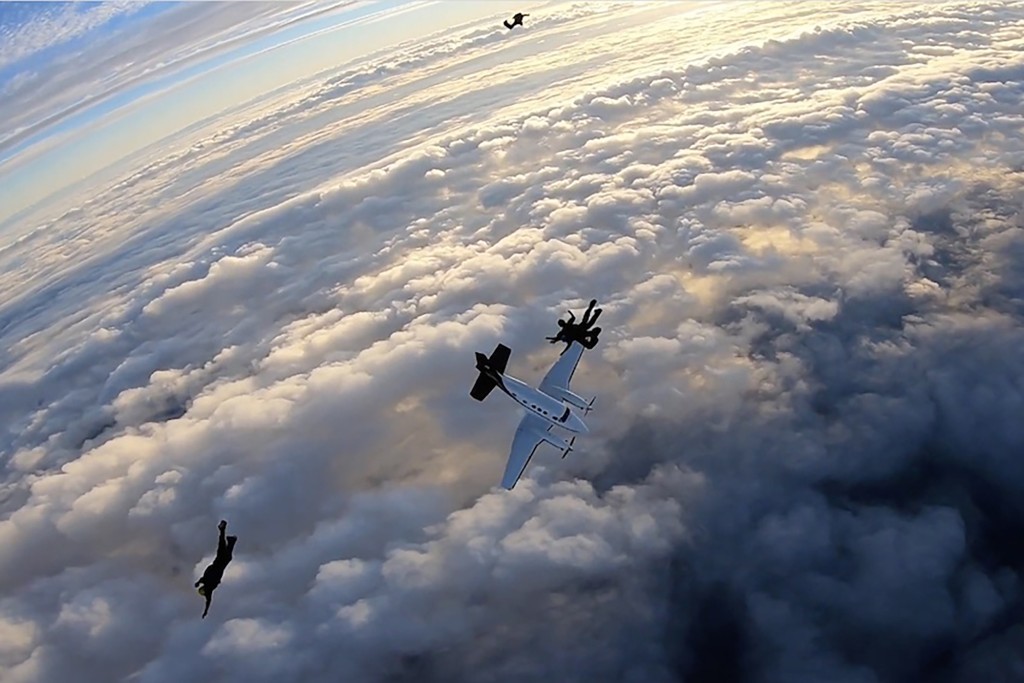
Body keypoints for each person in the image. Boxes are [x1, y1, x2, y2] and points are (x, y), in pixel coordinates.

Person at [195, 520, 237, 618]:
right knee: (223, 547)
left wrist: (206, 611)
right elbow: (208, 601)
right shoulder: (206, 585)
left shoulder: (207, 585)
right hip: (219, 562)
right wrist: (205, 611)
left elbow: (208, 601)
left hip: (219, 563)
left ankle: (225, 533)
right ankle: (227, 536)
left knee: (224, 549)